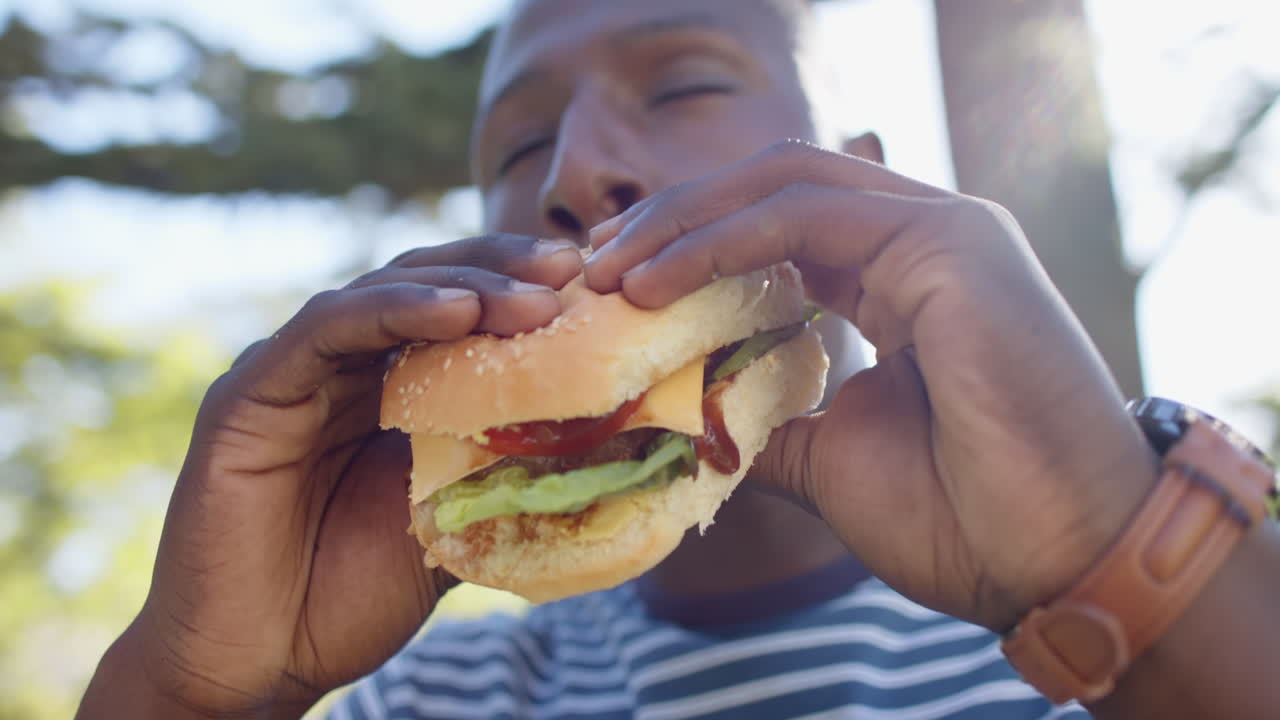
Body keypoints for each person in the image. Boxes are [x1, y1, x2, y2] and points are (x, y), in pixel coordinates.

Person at [78, 0, 1279, 718]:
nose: (569, 173)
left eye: (685, 81)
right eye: (523, 140)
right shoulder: (425, 697)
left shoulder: (1132, 637)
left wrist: (1122, 575)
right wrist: (199, 692)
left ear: (865, 169)